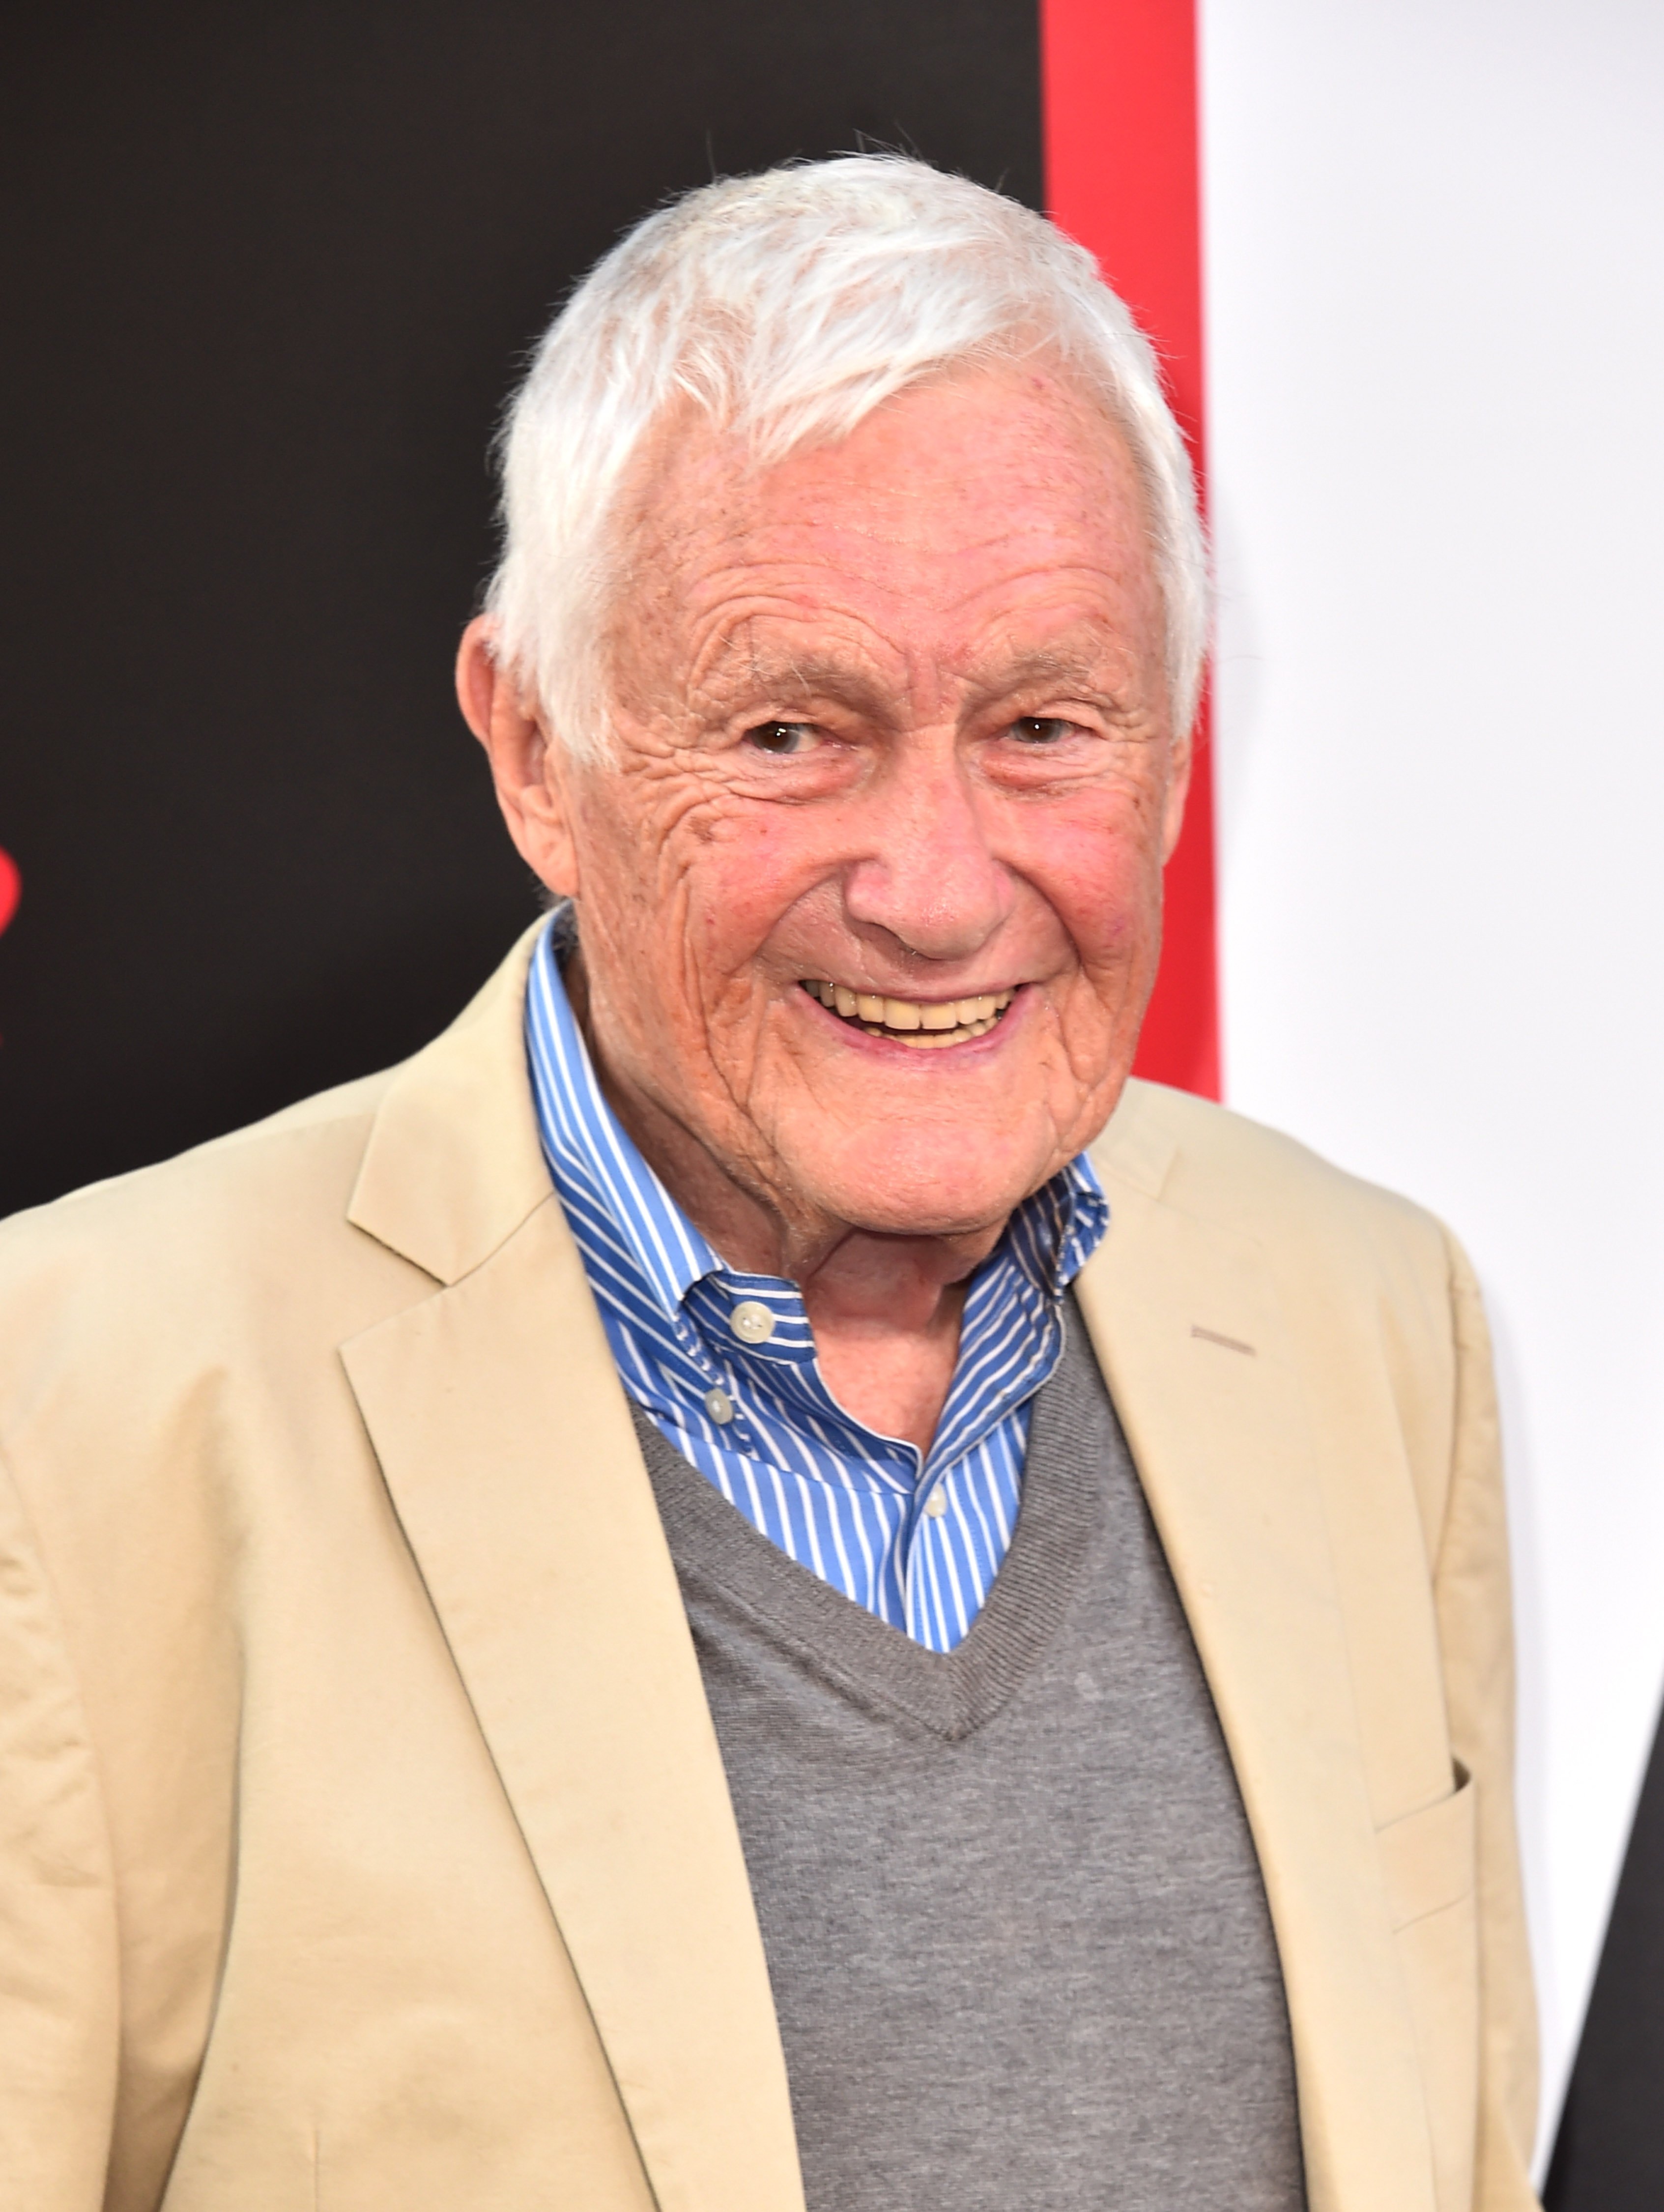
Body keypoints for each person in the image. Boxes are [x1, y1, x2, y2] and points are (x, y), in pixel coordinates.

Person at [0, 158, 1538, 2212]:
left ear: (1173, 736)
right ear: (535, 750)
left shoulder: (1370, 1319)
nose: (934, 890)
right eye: (795, 732)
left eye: (1044, 726)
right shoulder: (68, 1411)